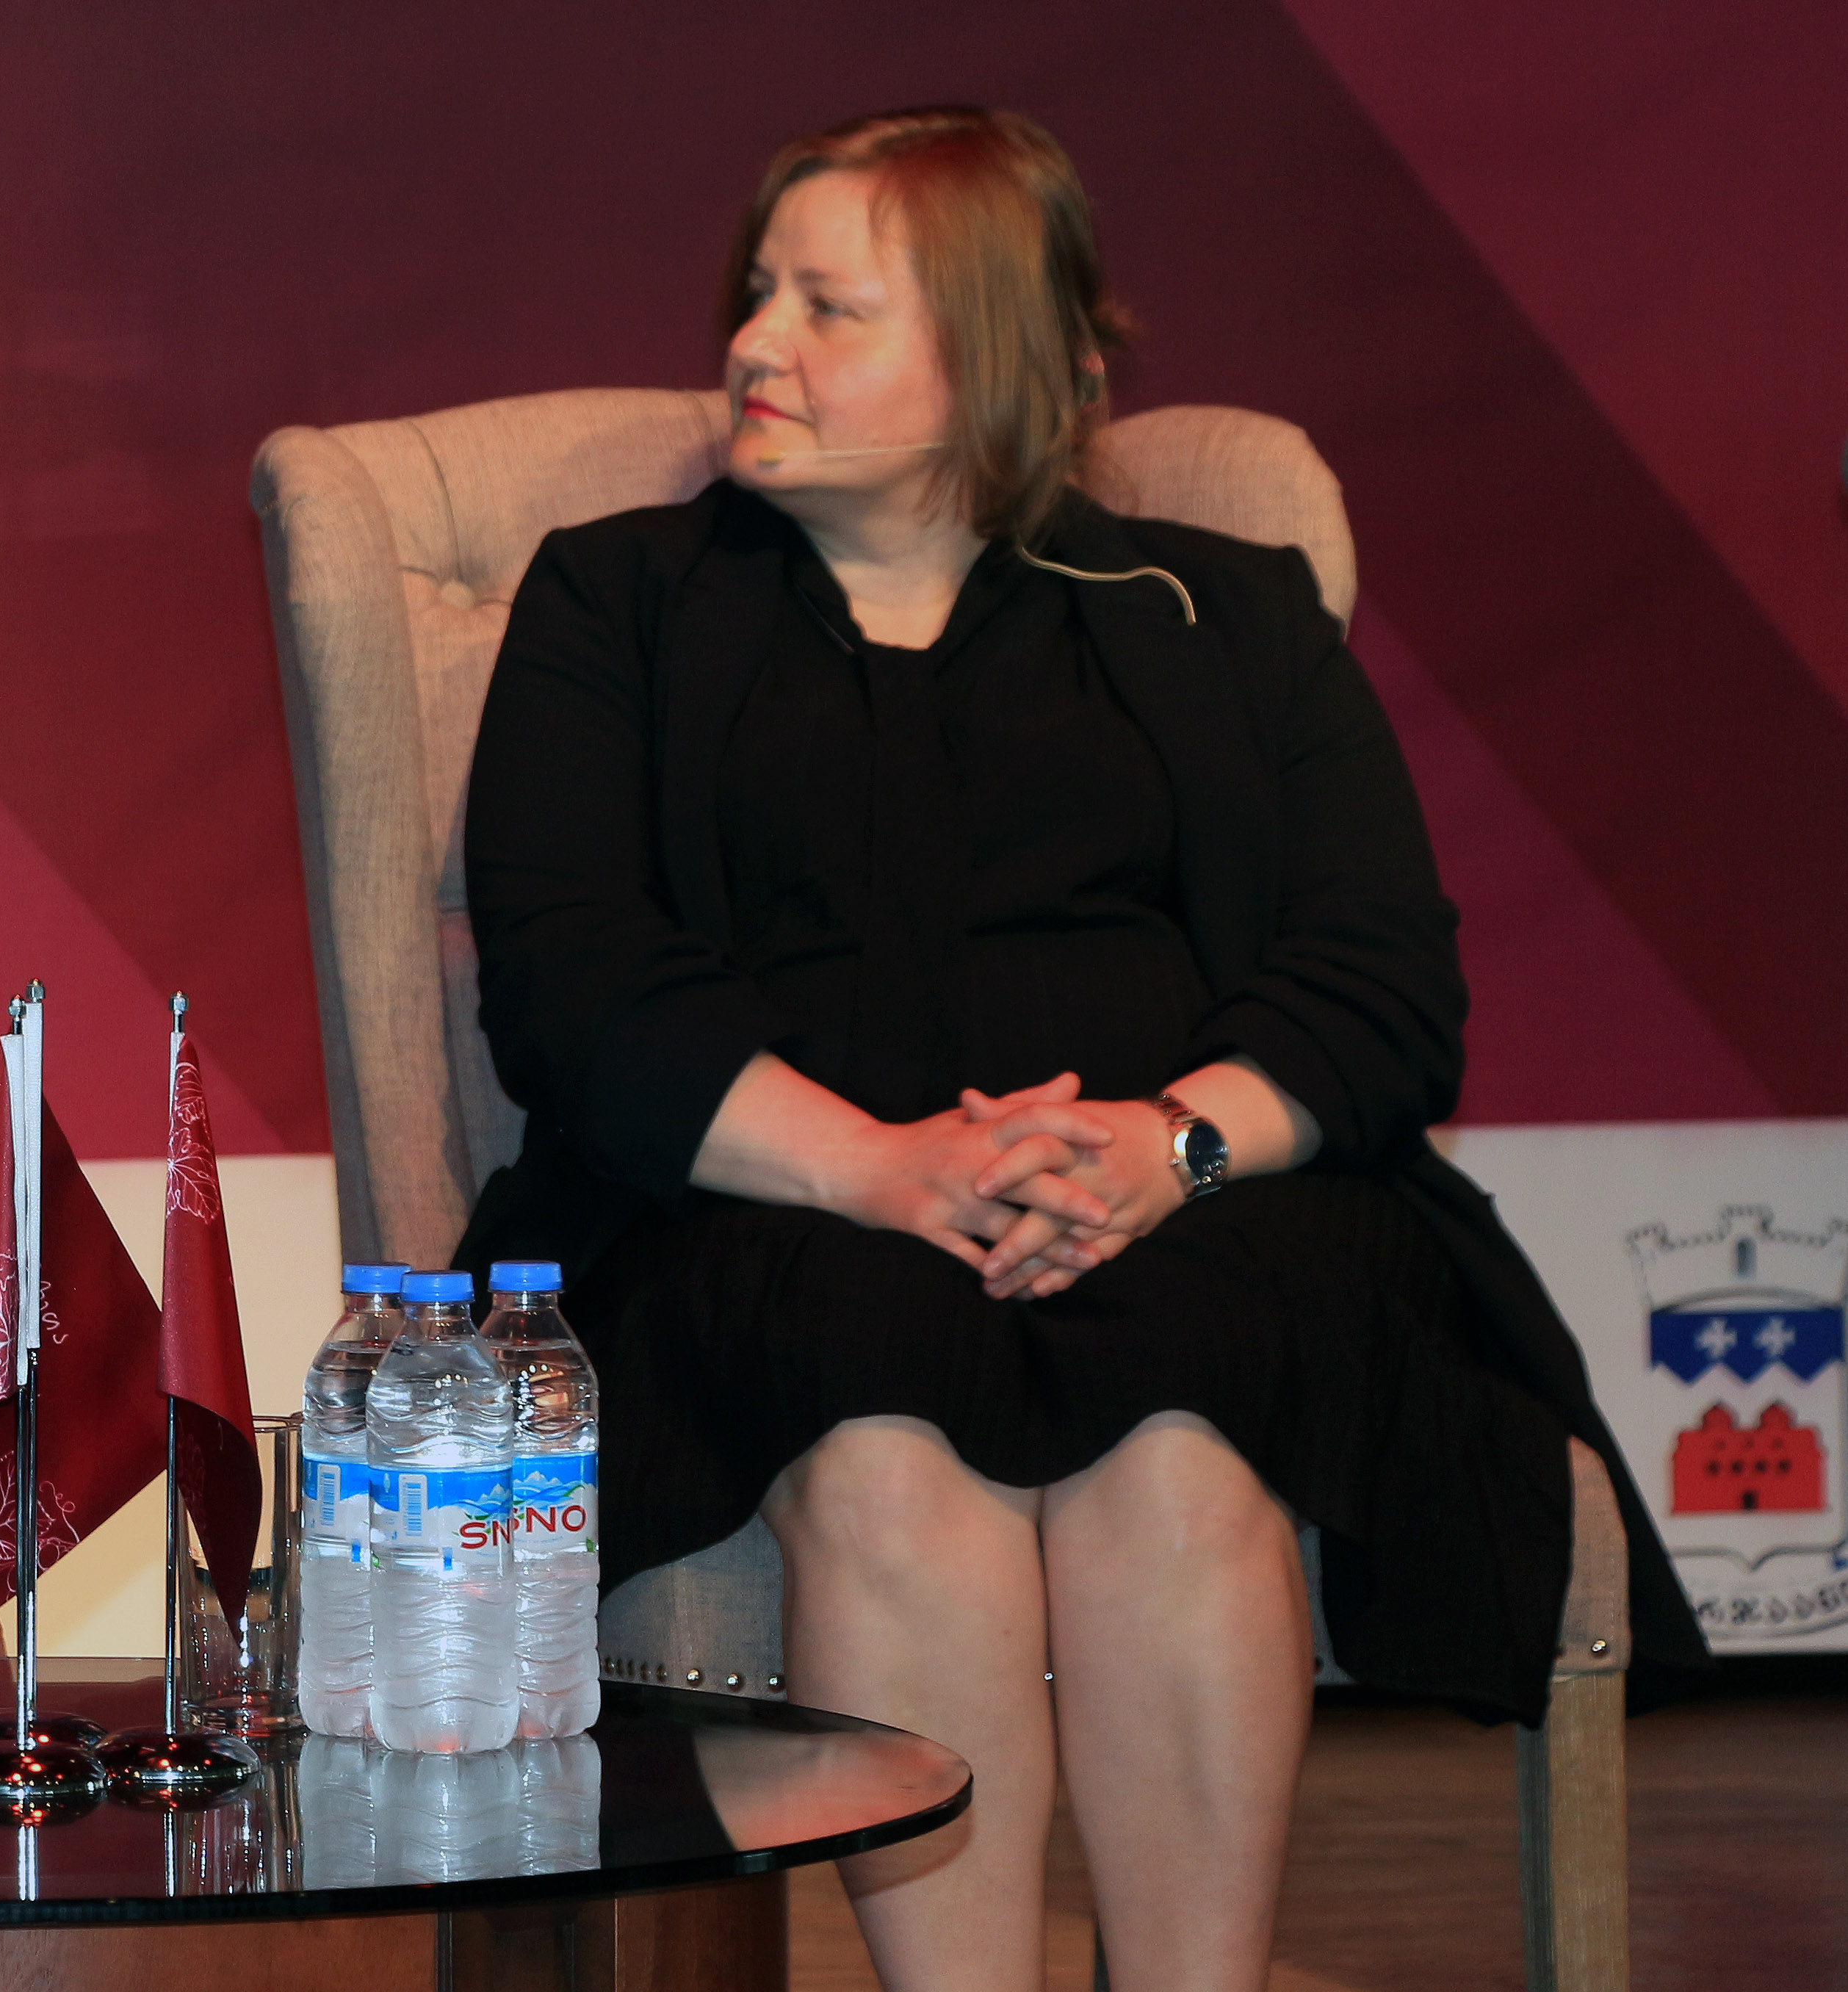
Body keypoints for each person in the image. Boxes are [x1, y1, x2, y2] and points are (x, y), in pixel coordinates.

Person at [456, 106, 1698, 1991]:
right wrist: (880, 1167)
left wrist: (1165, 1148)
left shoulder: (1224, 612)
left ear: (996, 356)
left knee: (1184, 1438)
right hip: (760, 1211)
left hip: (1199, 1213)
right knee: (883, 1431)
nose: (753, 343)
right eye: (759, 292)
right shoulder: (614, 602)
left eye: (829, 307)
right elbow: (572, 981)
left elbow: (1382, 983)